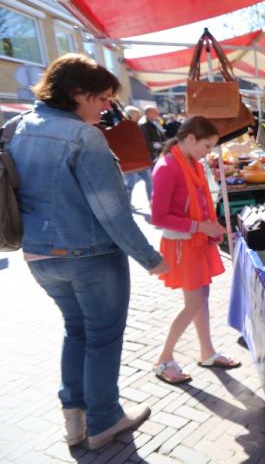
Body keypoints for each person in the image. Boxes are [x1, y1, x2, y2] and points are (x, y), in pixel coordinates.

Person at [4, 53, 169, 450]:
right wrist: (151, 258)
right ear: (77, 92)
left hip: (39, 256)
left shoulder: (18, 126)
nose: (107, 107)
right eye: (103, 98)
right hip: (90, 256)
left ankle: (74, 422)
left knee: (75, 331)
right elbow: (113, 212)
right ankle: (104, 420)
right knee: (101, 339)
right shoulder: (83, 136)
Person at [150, 116, 240, 384]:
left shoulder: (191, 163)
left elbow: (199, 204)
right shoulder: (167, 167)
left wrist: (209, 228)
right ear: (190, 139)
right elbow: (158, 217)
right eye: (207, 146)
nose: (208, 152)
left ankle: (207, 352)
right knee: (195, 302)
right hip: (182, 244)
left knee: (201, 298)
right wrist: (201, 227)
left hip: (195, 241)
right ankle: (163, 358)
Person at [122, 106, 153, 209]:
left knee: (149, 181)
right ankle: (127, 204)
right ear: (129, 115)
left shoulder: (137, 125)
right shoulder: (123, 126)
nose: (139, 116)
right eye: (137, 115)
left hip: (140, 159)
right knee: (129, 184)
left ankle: (152, 202)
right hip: (130, 160)